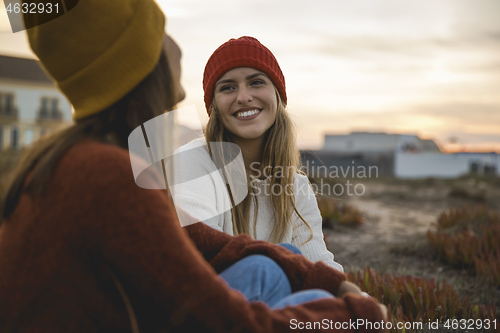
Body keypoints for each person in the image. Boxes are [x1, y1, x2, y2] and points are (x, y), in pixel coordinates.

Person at [0, 1, 387, 332]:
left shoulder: (88, 159)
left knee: (276, 259)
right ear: (137, 60)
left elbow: (203, 242)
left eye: (256, 82)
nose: (175, 46)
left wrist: (328, 283)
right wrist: (354, 316)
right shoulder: (106, 174)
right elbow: (220, 318)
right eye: (161, 31)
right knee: (271, 270)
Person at [171, 36, 344, 271]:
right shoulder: (192, 163)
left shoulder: (296, 185)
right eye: (228, 87)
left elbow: (320, 263)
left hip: (271, 301)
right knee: (278, 262)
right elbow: (198, 256)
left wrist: (358, 301)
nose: (243, 97)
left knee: (296, 263)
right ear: (214, 107)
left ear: (278, 96)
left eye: (256, 82)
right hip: (210, 298)